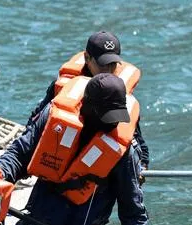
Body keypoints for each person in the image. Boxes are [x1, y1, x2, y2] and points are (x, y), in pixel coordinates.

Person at [0, 73, 164, 225]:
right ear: (89, 107)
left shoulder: (124, 153)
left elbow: (132, 210)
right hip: (34, 215)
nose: (114, 122)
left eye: (117, 115)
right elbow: (19, 154)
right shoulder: (55, 118)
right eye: (108, 115)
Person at [25, 31, 148, 165]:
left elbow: (133, 135)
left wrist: (143, 163)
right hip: (64, 155)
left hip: (101, 159)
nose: (108, 69)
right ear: (87, 58)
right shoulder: (66, 87)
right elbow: (35, 121)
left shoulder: (116, 89)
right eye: (102, 64)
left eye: (112, 64)